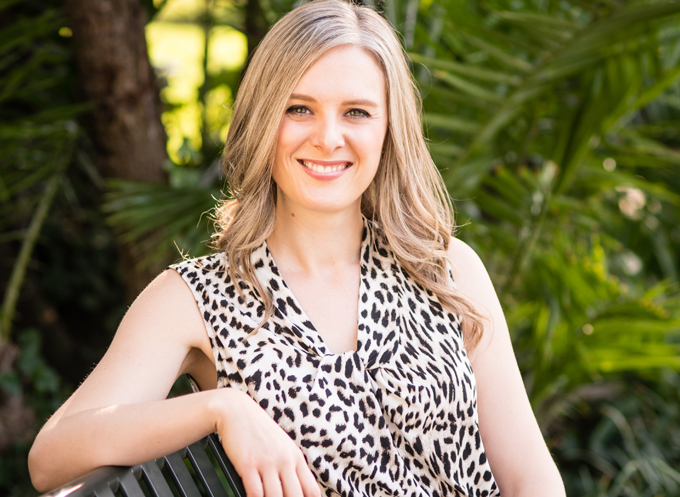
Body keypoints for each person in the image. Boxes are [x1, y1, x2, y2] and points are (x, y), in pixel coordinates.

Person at [29, 1, 566, 496]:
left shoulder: (445, 270)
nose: (328, 138)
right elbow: (51, 457)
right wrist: (221, 408)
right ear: (264, 119)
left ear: (389, 129)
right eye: (300, 109)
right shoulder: (196, 298)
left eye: (356, 112)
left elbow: (531, 478)